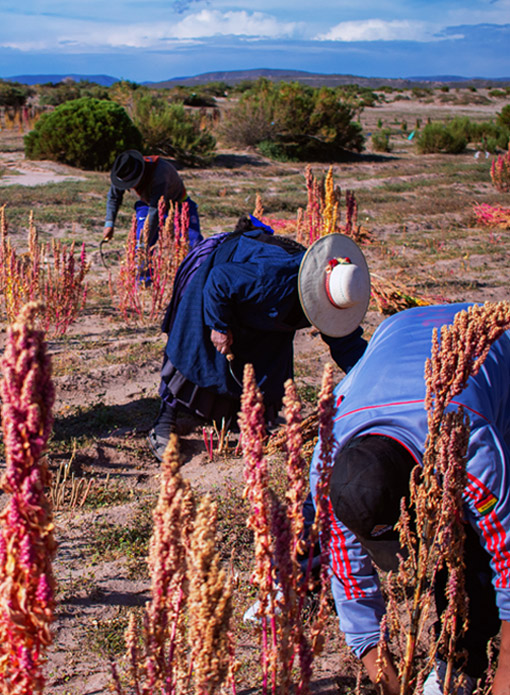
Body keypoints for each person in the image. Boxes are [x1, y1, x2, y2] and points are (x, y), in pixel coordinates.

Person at [309, 302, 510, 695]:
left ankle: (459, 661)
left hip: (497, 345)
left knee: (473, 551)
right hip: (399, 328)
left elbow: (508, 559)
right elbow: (350, 583)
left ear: (424, 486)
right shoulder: (329, 466)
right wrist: (389, 684)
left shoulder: (468, 449)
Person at [147, 216, 372, 461]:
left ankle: (250, 424)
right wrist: (218, 326)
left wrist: (371, 383)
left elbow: (348, 346)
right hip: (221, 273)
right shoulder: (271, 279)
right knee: (195, 351)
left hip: (264, 310)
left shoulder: (335, 292)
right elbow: (219, 281)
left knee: (269, 369)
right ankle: (165, 420)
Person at [103, 149, 202, 250]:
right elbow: (114, 197)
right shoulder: (122, 173)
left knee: (193, 243)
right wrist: (109, 223)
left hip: (179, 204)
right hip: (147, 204)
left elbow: (155, 211)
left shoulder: (160, 173)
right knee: (139, 245)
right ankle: (143, 264)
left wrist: (144, 242)